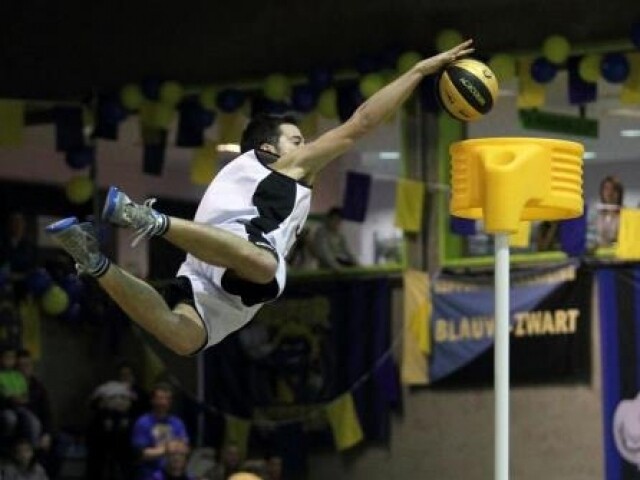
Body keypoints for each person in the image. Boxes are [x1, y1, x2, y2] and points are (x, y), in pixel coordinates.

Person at [44, 40, 474, 356]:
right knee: (266, 263)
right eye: (297, 139)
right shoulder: (285, 166)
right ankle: (150, 220)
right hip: (237, 256)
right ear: (271, 150)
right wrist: (418, 73)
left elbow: (241, 159)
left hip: (213, 278)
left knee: (182, 338)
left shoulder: (240, 168)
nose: (306, 145)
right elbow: (361, 122)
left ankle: (94, 261)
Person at [131, 383, 189, 480]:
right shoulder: (143, 423)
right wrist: (166, 450)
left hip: (174, 473)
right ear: (152, 400)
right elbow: (140, 454)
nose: (164, 402)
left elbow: (184, 448)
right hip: (150, 474)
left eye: (167, 399)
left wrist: (179, 449)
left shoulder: (177, 423)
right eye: (160, 398)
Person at [586, 175, 624, 251]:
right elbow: (589, 236)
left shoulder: (625, 214)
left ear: (619, 193)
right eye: (606, 188)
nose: (610, 192)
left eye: (614, 189)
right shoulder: (594, 213)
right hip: (597, 254)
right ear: (602, 191)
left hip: (618, 254)